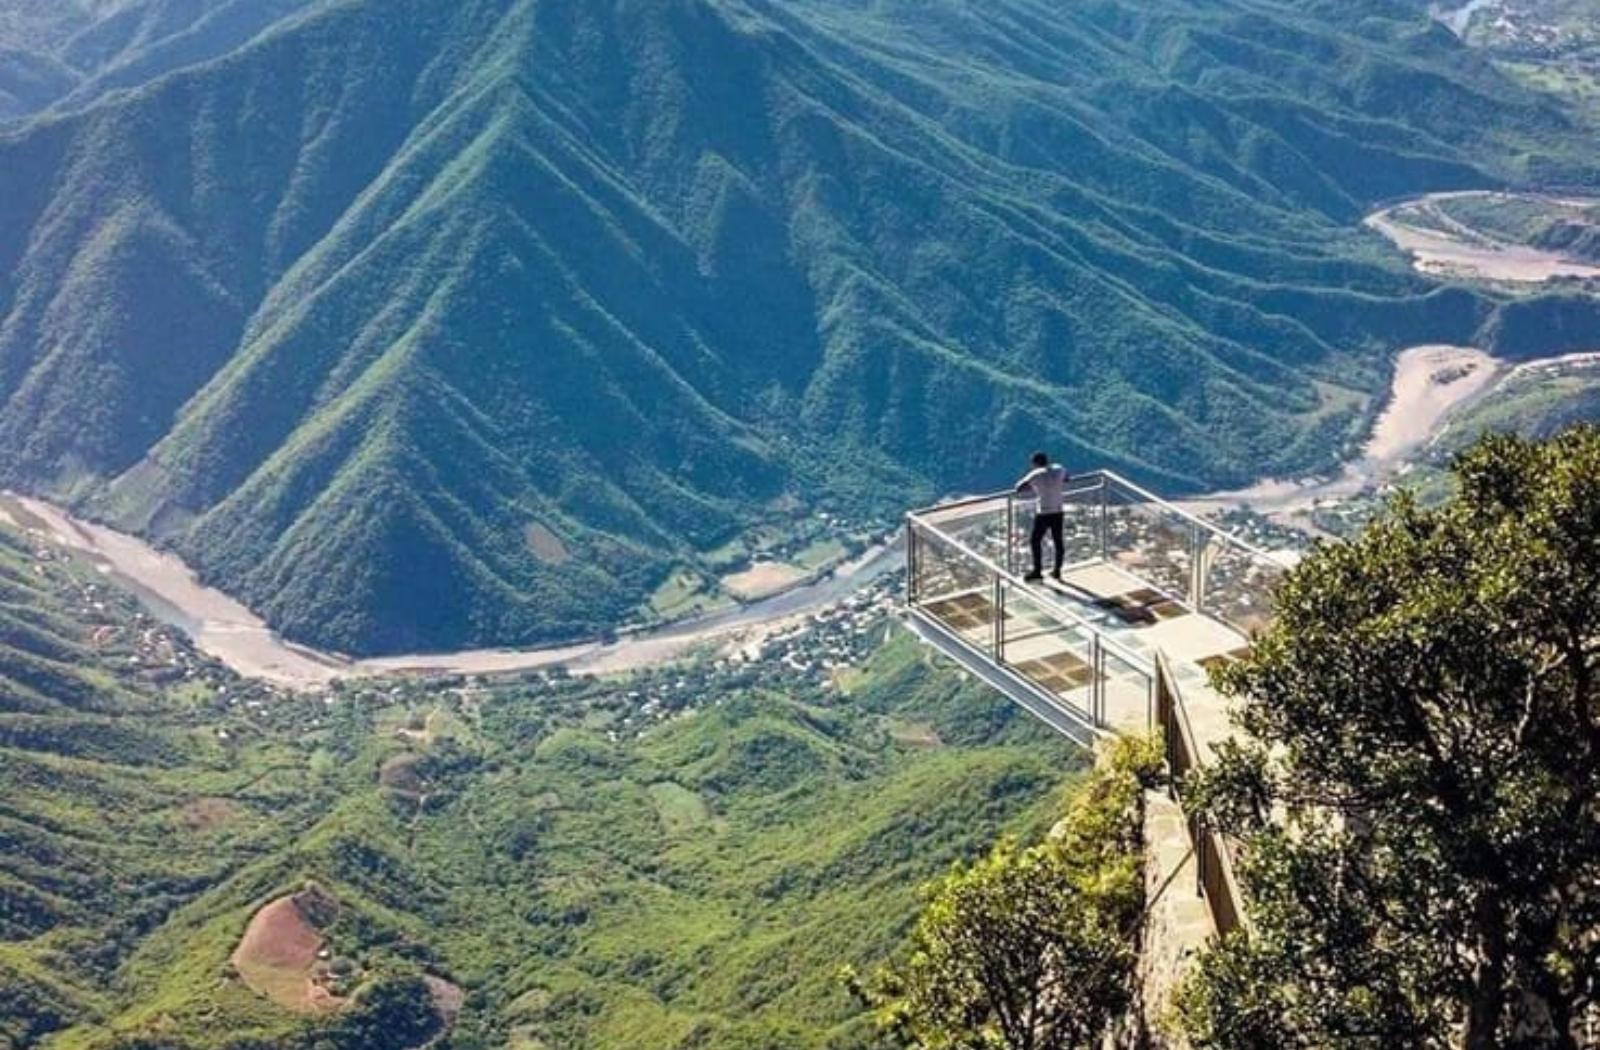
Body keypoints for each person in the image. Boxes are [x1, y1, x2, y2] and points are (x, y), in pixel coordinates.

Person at [1015, 451, 1069, 582]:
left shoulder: (1035, 474)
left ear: (1035, 463)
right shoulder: (1059, 468)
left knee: (1035, 541)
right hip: (1058, 510)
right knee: (1058, 542)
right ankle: (1057, 571)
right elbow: (1067, 478)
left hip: (1044, 512)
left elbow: (1019, 488)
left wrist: (1035, 487)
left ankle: (1037, 571)